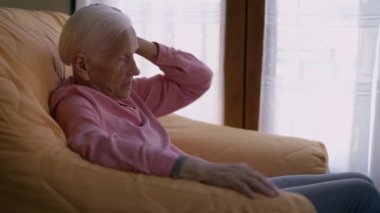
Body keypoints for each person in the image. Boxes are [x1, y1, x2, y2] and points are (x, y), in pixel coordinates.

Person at [50, 4, 380, 213]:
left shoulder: (129, 93)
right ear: (82, 64)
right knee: (359, 195)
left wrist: (141, 45)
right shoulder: (77, 101)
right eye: (124, 58)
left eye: (133, 56)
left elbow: (197, 79)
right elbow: (92, 143)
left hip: (210, 185)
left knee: (359, 180)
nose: (136, 70)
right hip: (200, 198)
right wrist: (194, 168)